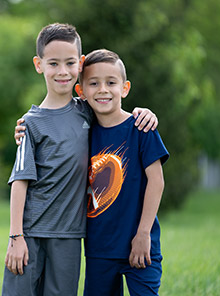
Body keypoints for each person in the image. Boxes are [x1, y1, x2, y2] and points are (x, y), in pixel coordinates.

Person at [3, 23, 157, 296]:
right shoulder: (30, 124)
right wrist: (16, 236)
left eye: (70, 63)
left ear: (80, 63)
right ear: (39, 65)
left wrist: (143, 112)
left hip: (71, 235)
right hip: (31, 231)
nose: (62, 71)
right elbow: (20, 182)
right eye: (53, 64)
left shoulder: (87, 111)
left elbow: (111, 104)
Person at [74, 49, 169, 296]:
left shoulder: (141, 128)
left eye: (111, 82)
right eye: (93, 83)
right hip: (99, 249)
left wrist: (143, 233)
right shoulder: (82, 133)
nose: (103, 89)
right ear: (81, 91)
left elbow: (156, 181)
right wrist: (24, 127)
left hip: (140, 244)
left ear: (125, 88)